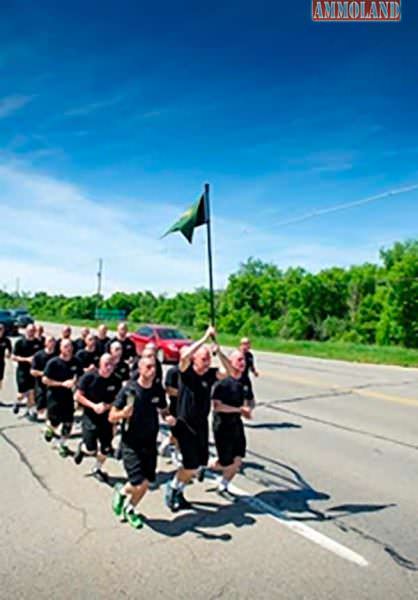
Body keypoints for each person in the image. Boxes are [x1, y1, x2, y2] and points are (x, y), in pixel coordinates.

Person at [164, 325, 232, 512]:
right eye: (204, 358)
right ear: (195, 359)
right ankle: (172, 488)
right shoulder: (186, 373)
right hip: (185, 424)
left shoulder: (210, 374)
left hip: (202, 424)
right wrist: (204, 338)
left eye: (208, 358)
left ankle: (180, 490)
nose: (207, 361)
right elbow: (184, 358)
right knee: (190, 463)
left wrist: (218, 349)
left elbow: (230, 373)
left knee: (198, 464)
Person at [109, 356, 173, 529]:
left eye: (155, 367)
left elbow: (163, 409)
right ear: (140, 368)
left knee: (146, 483)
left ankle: (130, 509)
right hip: (131, 444)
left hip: (150, 442)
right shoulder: (129, 390)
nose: (152, 371)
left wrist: (168, 417)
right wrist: (123, 414)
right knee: (139, 483)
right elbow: (111, 416)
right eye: (149, 367)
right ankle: (122, 492)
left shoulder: (157, 389)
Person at [210, 350, 252, 499]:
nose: (243, 363)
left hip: (236, 424)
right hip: (222, 425)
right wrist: (239, 409)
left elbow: (248, 399)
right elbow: (217, 406)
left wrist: (248, 408)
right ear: (231, 362)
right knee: (225, 462)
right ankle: (204, 466)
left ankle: (223, 485)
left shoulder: (245, 381)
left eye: (244, 360)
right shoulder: (223, 383)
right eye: (239, 360)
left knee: (238, 459)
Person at [74, 353, 122, 482]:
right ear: (100, 365)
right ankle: (83, 448)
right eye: (106, 364)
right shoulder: (89, 377)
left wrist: (107, 406)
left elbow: (119, 399)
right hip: (90, 416)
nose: (109, 367)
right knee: (91, 449)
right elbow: (77, 396)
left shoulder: (116, 380)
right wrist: (93, 406)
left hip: (107, 419)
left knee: (105, 448)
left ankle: (97, 469)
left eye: (111, 364)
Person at [42, 339, 82, 457]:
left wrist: (75, 383)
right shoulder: (53, 363)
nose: (68, 349)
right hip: (54, 396)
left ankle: (62, 444)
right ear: (60, 348)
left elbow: (79, 376)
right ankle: (50, 429)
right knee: (55, 422)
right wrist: (62, 384)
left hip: (69, 397)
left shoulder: (76, 361)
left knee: (68, 423)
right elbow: (45, 380)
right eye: (65, 346)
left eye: (70, 346)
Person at [12, 324, 43, 418]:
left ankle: (30, 410)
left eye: (33, 330)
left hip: (33, 371)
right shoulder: (20, 342)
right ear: (26, 331)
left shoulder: (38, 342)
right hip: (22, 371)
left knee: (32, 392)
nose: (31, 332)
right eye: (30, 330)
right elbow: (14, 357)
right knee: (22, 393)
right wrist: (27, 359)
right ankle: (17, 402)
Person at [30, 336, 56, 421]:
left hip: (54, 385)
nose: (51, 343)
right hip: (41, 384)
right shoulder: (38, 355)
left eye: (53, 341)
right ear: (45, 343)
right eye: (49, 341)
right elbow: (32, 371)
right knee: (41, 403)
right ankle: (35, 411)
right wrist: (44, 374)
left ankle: (49, 423)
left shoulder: (58, 355)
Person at [239, 337, 259, 410]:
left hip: (245, 379)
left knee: (250, 399)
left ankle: (243, 410)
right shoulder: (237, 354)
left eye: (248, 344)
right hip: (237, 379)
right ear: (241, 344)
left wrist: (254, 372)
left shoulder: (250, 355)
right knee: (242, 397)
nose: (247, 346)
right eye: (245, 344)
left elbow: (251, 365)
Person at [0, 324, 12, 392]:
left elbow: (10, 350)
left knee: (0, 380)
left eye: (1, 329)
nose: (0, 330)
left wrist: (8, 353)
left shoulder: (6, 340)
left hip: (1, 363)